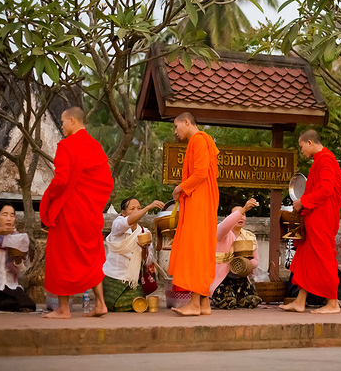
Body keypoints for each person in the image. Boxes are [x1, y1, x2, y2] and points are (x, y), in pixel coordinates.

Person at [40, 106, 113, 319]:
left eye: (62, 122)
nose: (61, 127)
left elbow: (61, 180)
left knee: (60, 257)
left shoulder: (66, 145)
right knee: (90, 257)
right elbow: (107, 183)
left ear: (72, 120)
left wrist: (48, 198)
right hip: (89, 213)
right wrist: (92, 203)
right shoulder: (95, 146)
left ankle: (63, 309)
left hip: (68, 211)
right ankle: (100, 304)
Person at [282, 129, 341, 314]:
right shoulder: (319, 160)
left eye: (302, 147)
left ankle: (333, 303)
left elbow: (326, 190)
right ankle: (300, 301)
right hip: (313, 216)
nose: (301, 151)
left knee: (324, 258)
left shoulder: (326, 159)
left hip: (323, 218)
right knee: (306, 259)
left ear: (310, 142)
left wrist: (303, 202)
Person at [169, 111, 220, 316]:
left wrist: (180, 188)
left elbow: (199, 172)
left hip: (198, 200)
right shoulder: (203, 140)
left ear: (187, 122)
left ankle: (195, 304)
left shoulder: (198, 140)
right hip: (202, 200)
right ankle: (204, 304)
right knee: (201, 248)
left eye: (176, 126)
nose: (175, 131)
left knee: (195, 250)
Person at [102, 197, 165, 312]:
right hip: (113, 278)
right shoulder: (118, 224)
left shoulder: (144, 232)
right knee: (114, 304)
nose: (137, 211)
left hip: (132, 281)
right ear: (123, 213)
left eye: (139, 208)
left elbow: (147, 260)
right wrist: (148, 207)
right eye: (132, 209)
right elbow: (128, 221)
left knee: (138, 301)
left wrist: (144, 249)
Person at [211, 199, 262, 309]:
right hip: (221, 277)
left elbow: (255, 262)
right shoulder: (221, 232)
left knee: (250, 301)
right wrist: (243, 209)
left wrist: (244, 263)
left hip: (241, 277)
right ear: (228, 217)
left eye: (244, 214)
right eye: (237, 214)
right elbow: (225, 226)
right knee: (227, 301)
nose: (241, 217)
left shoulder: (250, 236)